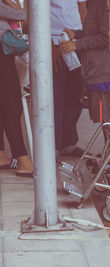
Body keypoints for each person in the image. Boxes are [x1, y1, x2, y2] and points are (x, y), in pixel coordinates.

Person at [60, 0, 110, 124]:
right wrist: (76, 34)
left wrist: (77, 44)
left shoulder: (103, 5)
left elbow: (106, 37)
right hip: (94, 72)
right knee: (102, 119)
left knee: (106, 120)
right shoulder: (93, 4)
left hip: (102, 73)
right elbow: (92, 32)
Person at [0, 0, 34, 177]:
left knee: (3, 106)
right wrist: (13, 4)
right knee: (11, 107)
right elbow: (21, 15)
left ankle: (1, 156)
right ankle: (23, 160)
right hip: (1, 56)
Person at [50, 0, 87, 157]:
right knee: (55, 97)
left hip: (74, 40)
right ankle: (53, 145)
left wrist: (79, 35)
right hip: (52, 41)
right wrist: (48, 44)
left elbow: (82, 8)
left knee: (74, 95)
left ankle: (68, 143)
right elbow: (34, 14)